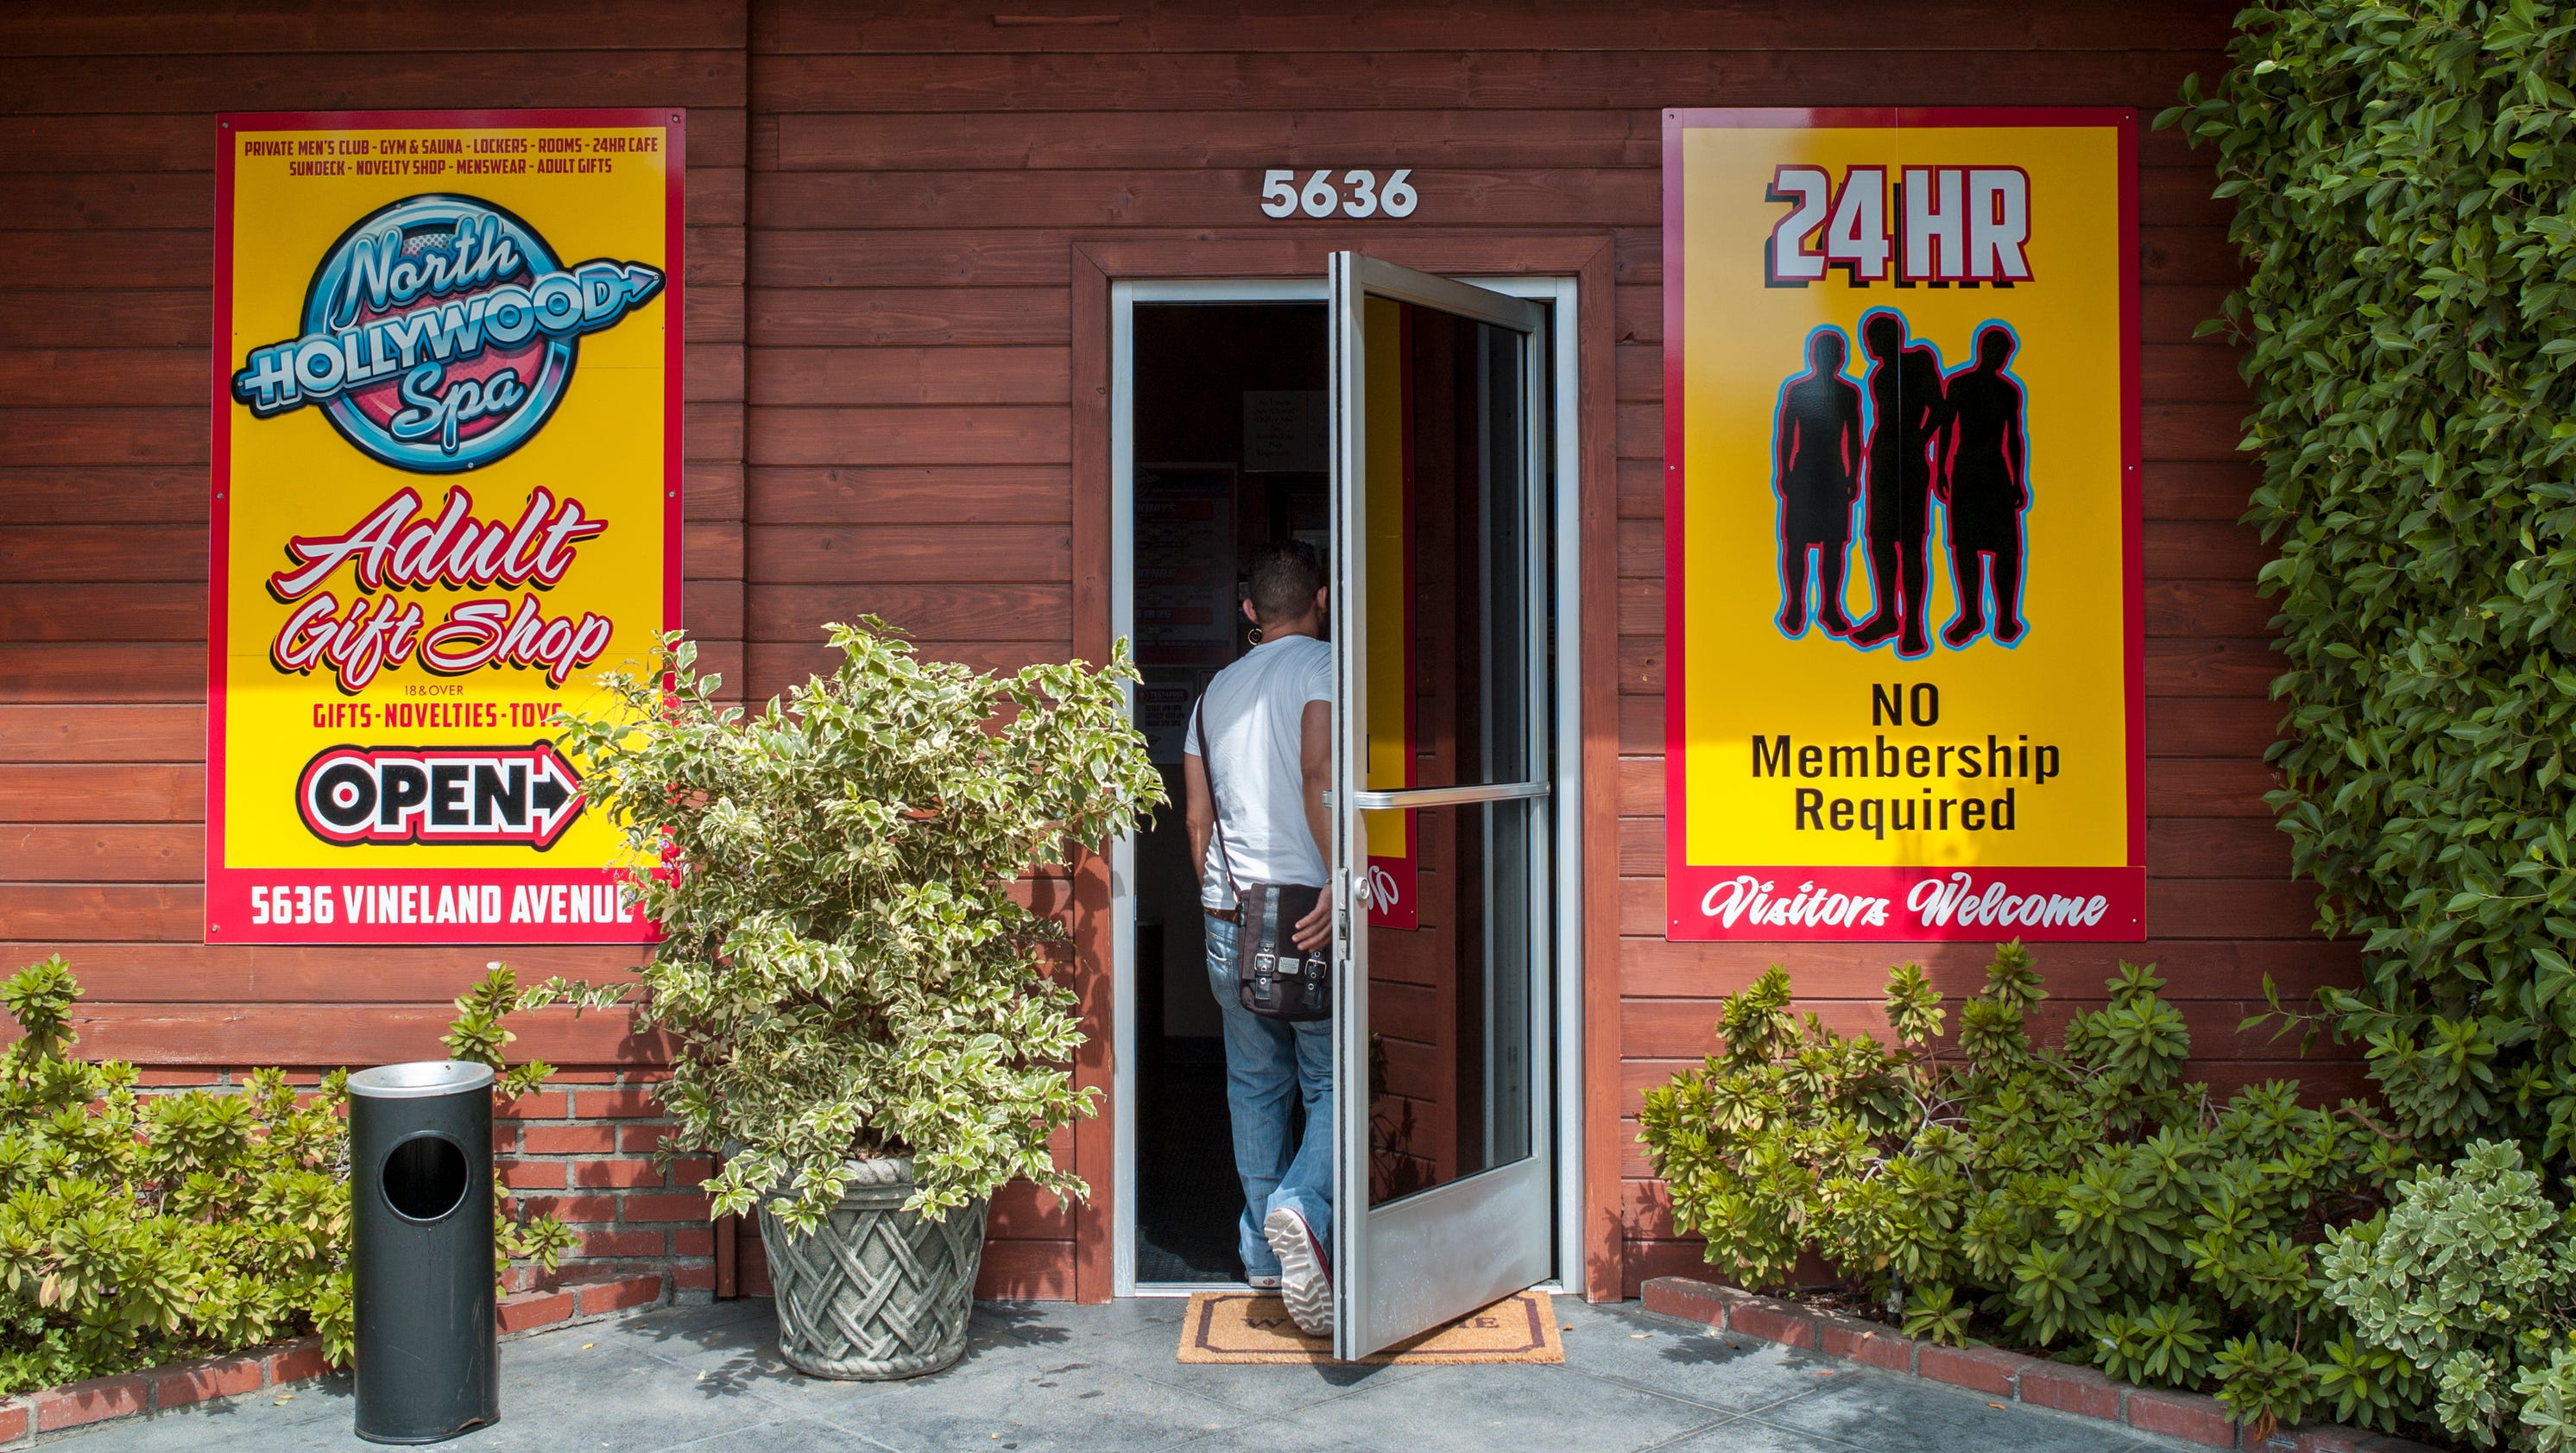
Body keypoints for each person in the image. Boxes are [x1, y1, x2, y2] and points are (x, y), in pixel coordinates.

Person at [1183, 540, 1337, 1336]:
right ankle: (1300, 1208)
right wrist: (1340, 882)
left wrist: (1216, 898)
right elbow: (1319, 773)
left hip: (1229, 912)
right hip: (1307, 908)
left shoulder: (1212, 692)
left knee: (1253, 1080)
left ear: (1250, 611)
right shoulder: (1325, 666)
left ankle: (1263, 1252)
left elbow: (1197, 818)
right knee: (1330, 1079)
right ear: (1322, 596)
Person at [1847, 311, 1951, 659]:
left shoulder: (1920, 361)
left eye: (1874, 337)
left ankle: (1913, 627)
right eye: (1868, 338)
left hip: (1910, 459)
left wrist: (1920, 439)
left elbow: (1939, 408)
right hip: (1883, 459)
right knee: (1879, 538)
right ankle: (1888, 615)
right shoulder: (1879, 374)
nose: (1870, 344)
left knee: (1909, 543)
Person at [1937, 324, 2031, 648]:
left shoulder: (2008, 391)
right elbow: (1946, 429)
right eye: (1999, 351)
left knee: (2005, 548)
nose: (2003, 358)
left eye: (2006, 353)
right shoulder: (1959, 385)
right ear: (1984, 350)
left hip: (1995, 470)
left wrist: (2019, 479)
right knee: (1965, 545)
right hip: (1966, 470)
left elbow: (2015, 437)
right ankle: (1971, 615)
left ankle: (2005, 616)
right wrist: (1940, 470)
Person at [1771, 327, 1864, 637]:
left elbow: (1855, 438)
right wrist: (1783, 471)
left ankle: (1830, 608)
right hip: (1805, 471)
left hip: (1833, 473)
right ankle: (1796, 605)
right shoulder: (1798, 392)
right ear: (1815, 357)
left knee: (1834, 545)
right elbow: (1786, 436)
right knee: (1796, 543)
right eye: (1829, 353)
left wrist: (1853, 474)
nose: (1832, 359)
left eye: (1835, 353)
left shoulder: (1849, 393)